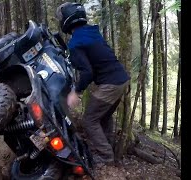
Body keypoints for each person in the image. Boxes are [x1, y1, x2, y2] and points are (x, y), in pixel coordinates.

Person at [56, 2, 130, 167]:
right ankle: (108, 150)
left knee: (89, 120)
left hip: (110, 83)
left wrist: (76, 90)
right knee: (103, 117)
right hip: (121, 80)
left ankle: (106, 158)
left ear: (66, 19)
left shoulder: (76, 42)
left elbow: (87, 72)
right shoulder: (91, 32)